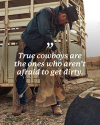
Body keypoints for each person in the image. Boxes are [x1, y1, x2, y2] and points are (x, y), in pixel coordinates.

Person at [12, 2, 78, 116]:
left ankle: (55, 105)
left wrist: (51, 52)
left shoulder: (59, 23)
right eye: (67, 21)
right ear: (63, 16)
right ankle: (20, 105)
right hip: (27, 44)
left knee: (50, 74)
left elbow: (50, 36)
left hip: (42, 47)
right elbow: (44, 32)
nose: (66, 23)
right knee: (20, 73)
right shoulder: (45, 13)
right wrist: (53, 48)